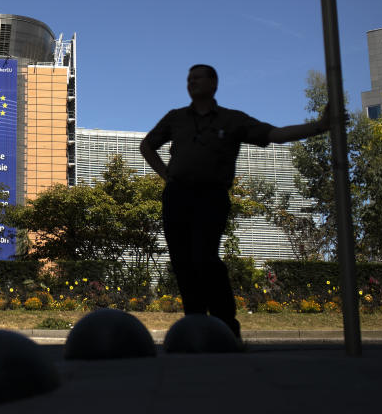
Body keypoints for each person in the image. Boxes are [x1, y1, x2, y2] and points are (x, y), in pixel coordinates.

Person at [139, 64, 329, 344]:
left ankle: (226, 328)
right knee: (183, 263)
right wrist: (165, 174)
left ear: (214, 83)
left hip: (211, 196)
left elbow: (273, 134)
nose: (192, 82)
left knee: (205, 259)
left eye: (198, 77)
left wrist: (319, 127)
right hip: (177, 196)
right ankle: (195, 328)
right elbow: (147, 145)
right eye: (189, 78)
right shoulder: (176, 118)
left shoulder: (232, 120)